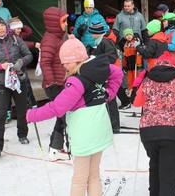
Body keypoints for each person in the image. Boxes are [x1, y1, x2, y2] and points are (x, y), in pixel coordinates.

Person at [27, 35, 123, 196]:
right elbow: (117, 73)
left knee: (79, 179)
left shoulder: (77, 81)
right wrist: (107, 94)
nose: (64, 65)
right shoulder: (97, 69)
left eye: (67, 62)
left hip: (85, 134)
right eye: (62, 62)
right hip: (100, 130)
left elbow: (57, 108)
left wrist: (31, 115)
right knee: (93, 175)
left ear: (78, 59)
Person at [132, 53, 175, 196]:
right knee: (168, 174)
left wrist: (138, 81)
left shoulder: (147, 80)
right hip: (172, 132)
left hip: (149, 132)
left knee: (155, 167)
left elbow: (136, 102)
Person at [0, 17, 33, 157]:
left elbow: (29, 55)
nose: (0, 28)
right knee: (0, 114)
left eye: (2, 25)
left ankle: (22, 135)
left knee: (22, 110)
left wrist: (20, 62)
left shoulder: (16, 40)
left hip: (18, 81)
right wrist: (1, 66)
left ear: (6, 26)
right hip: (2, 83)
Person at [40, 6, 70, 160]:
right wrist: (53, 83)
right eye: (63, 21)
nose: (66, 24)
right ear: (54, 22)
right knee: (65, 117)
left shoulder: (58, 37)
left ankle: (55, 148)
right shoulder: (49, 39)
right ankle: (62, 149)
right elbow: (44, 62)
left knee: (62, 117)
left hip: (61, 83)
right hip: (55, 86)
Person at [88, 21, 121, 131]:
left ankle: (114, 125)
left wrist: (97, 58)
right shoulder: (102, 40)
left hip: (110, 72)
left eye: (92, 33)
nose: (92, 36)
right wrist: (92, 51)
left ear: (97, 33)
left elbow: (111, 57)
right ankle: (110, 122)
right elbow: (101, 53)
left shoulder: (106, 41)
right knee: (106, 97)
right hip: (107, 71)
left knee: (110, 97)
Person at [122, 28, 142, 92]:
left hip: (135, 63)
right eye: (127, 35)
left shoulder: (135, 43)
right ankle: (130, 90)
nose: (128, 36)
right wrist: (124, 66)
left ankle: (136, 91)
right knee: (129, 79)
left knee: (136, 78)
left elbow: (138, 54)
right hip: (129, 65)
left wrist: (139, 63)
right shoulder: (125, 45)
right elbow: (124, 56)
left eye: (130, 34)